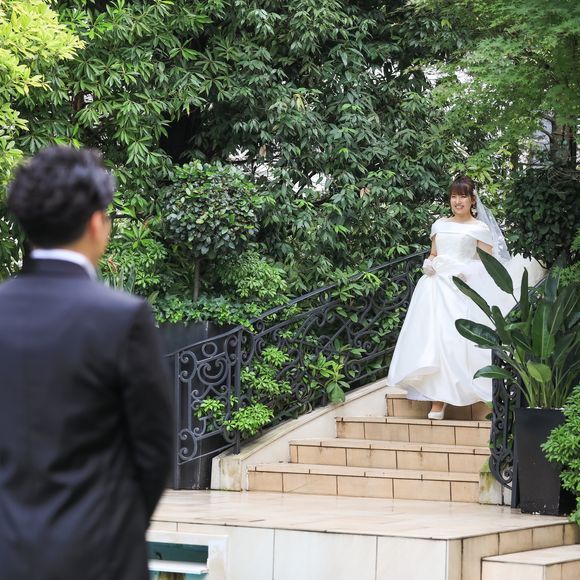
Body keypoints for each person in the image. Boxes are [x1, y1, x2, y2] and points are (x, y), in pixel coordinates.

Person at [0, 147, 173, 580]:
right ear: (97, 223)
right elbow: (155, 452)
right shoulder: (122, 318)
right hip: (98, 560)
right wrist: (115, 531)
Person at [386, 176, 516, 419]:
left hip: (463, 288)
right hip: (435, 289)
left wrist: (469, 272)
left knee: (456, 341)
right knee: (434, 341)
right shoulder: (439, 225)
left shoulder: (479, 228)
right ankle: (438, 400)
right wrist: (428, 263)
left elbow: (489, 263)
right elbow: (434, 253)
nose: (458, 201)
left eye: (463, 196)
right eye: (454, 196)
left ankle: (476, 393)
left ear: (472, 200)